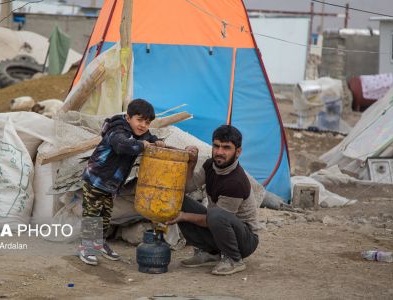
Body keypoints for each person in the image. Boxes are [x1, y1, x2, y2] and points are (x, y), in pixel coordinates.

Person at [78, 99, 166, 265]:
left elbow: (148, 138)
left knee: (105, 215)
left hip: (111, 185)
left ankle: (99, 243)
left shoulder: (140, 134)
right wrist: (143, 145)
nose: (143, 125)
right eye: (139, 120)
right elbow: (122, 146)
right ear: (128, 117)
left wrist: (156, 141)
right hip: (96, 179)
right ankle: (86, 247)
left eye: (147, 122)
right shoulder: (117, 130)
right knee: (92, 214)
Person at [167, 125, 259, 275]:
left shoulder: (235, 182)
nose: (219, 152)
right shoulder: (211, 165)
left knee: (215, 214)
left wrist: (183, 216)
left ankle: (234, 259)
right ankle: (211, 253)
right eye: (216, 146)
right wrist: (192, 163)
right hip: (220, 226)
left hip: (245, 240)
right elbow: (188, 187)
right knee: (178, 199)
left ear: (238, 152)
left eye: (226, 148)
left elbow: (215, 219)